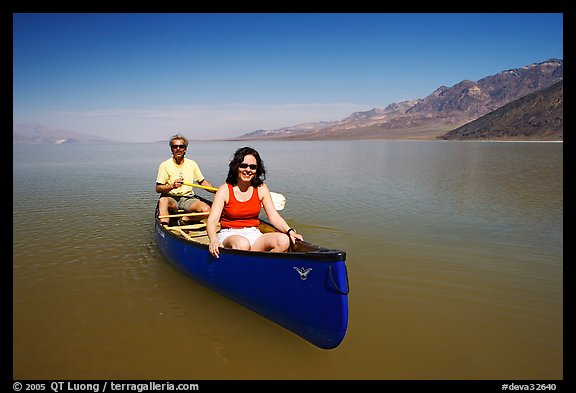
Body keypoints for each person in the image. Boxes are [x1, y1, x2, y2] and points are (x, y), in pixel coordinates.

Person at [207, 147, 303, 258]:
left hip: (253, 233)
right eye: (243, 165)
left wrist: (290, 231)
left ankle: (263, 266)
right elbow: (212, 220)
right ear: (236, 167)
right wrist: (213, 240)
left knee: (283, 240)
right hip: (230, 234)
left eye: (252, 167)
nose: (248, 170)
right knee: (242, 244)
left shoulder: (261, 188)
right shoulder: (224, 190)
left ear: (257, 170)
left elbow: (274, 216)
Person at [155, 134, 214, 226]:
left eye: (181, 146)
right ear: (171, 149)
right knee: (163, 201)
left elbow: (203, 182)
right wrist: (172, 186)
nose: (178, 149)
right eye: (175, 146)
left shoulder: (192, 164)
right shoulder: (165, 165)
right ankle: (165, 226)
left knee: (208, 211)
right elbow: (158, 188)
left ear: (185, 149)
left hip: (188, 198)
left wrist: (216, 192)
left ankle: (185, 219)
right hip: (171, 198)